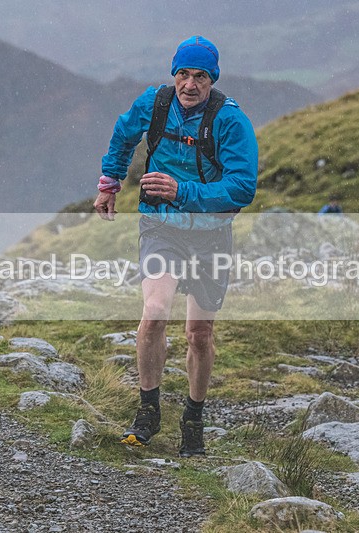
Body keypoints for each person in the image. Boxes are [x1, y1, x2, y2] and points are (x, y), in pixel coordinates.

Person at [93, 36, 258, 457]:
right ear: (174, 74)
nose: (189, 84)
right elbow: (123, 132)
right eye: (183, 74)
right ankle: (148, 411)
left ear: (212, 79)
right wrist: (110, 183)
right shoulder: (156, 103)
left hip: (210, 234)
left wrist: (181, 190)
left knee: (199, 334)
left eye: (199, 76)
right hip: (160, 227)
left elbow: (242, 188)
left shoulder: (231, 121)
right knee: (154, 312)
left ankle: (193, 420)